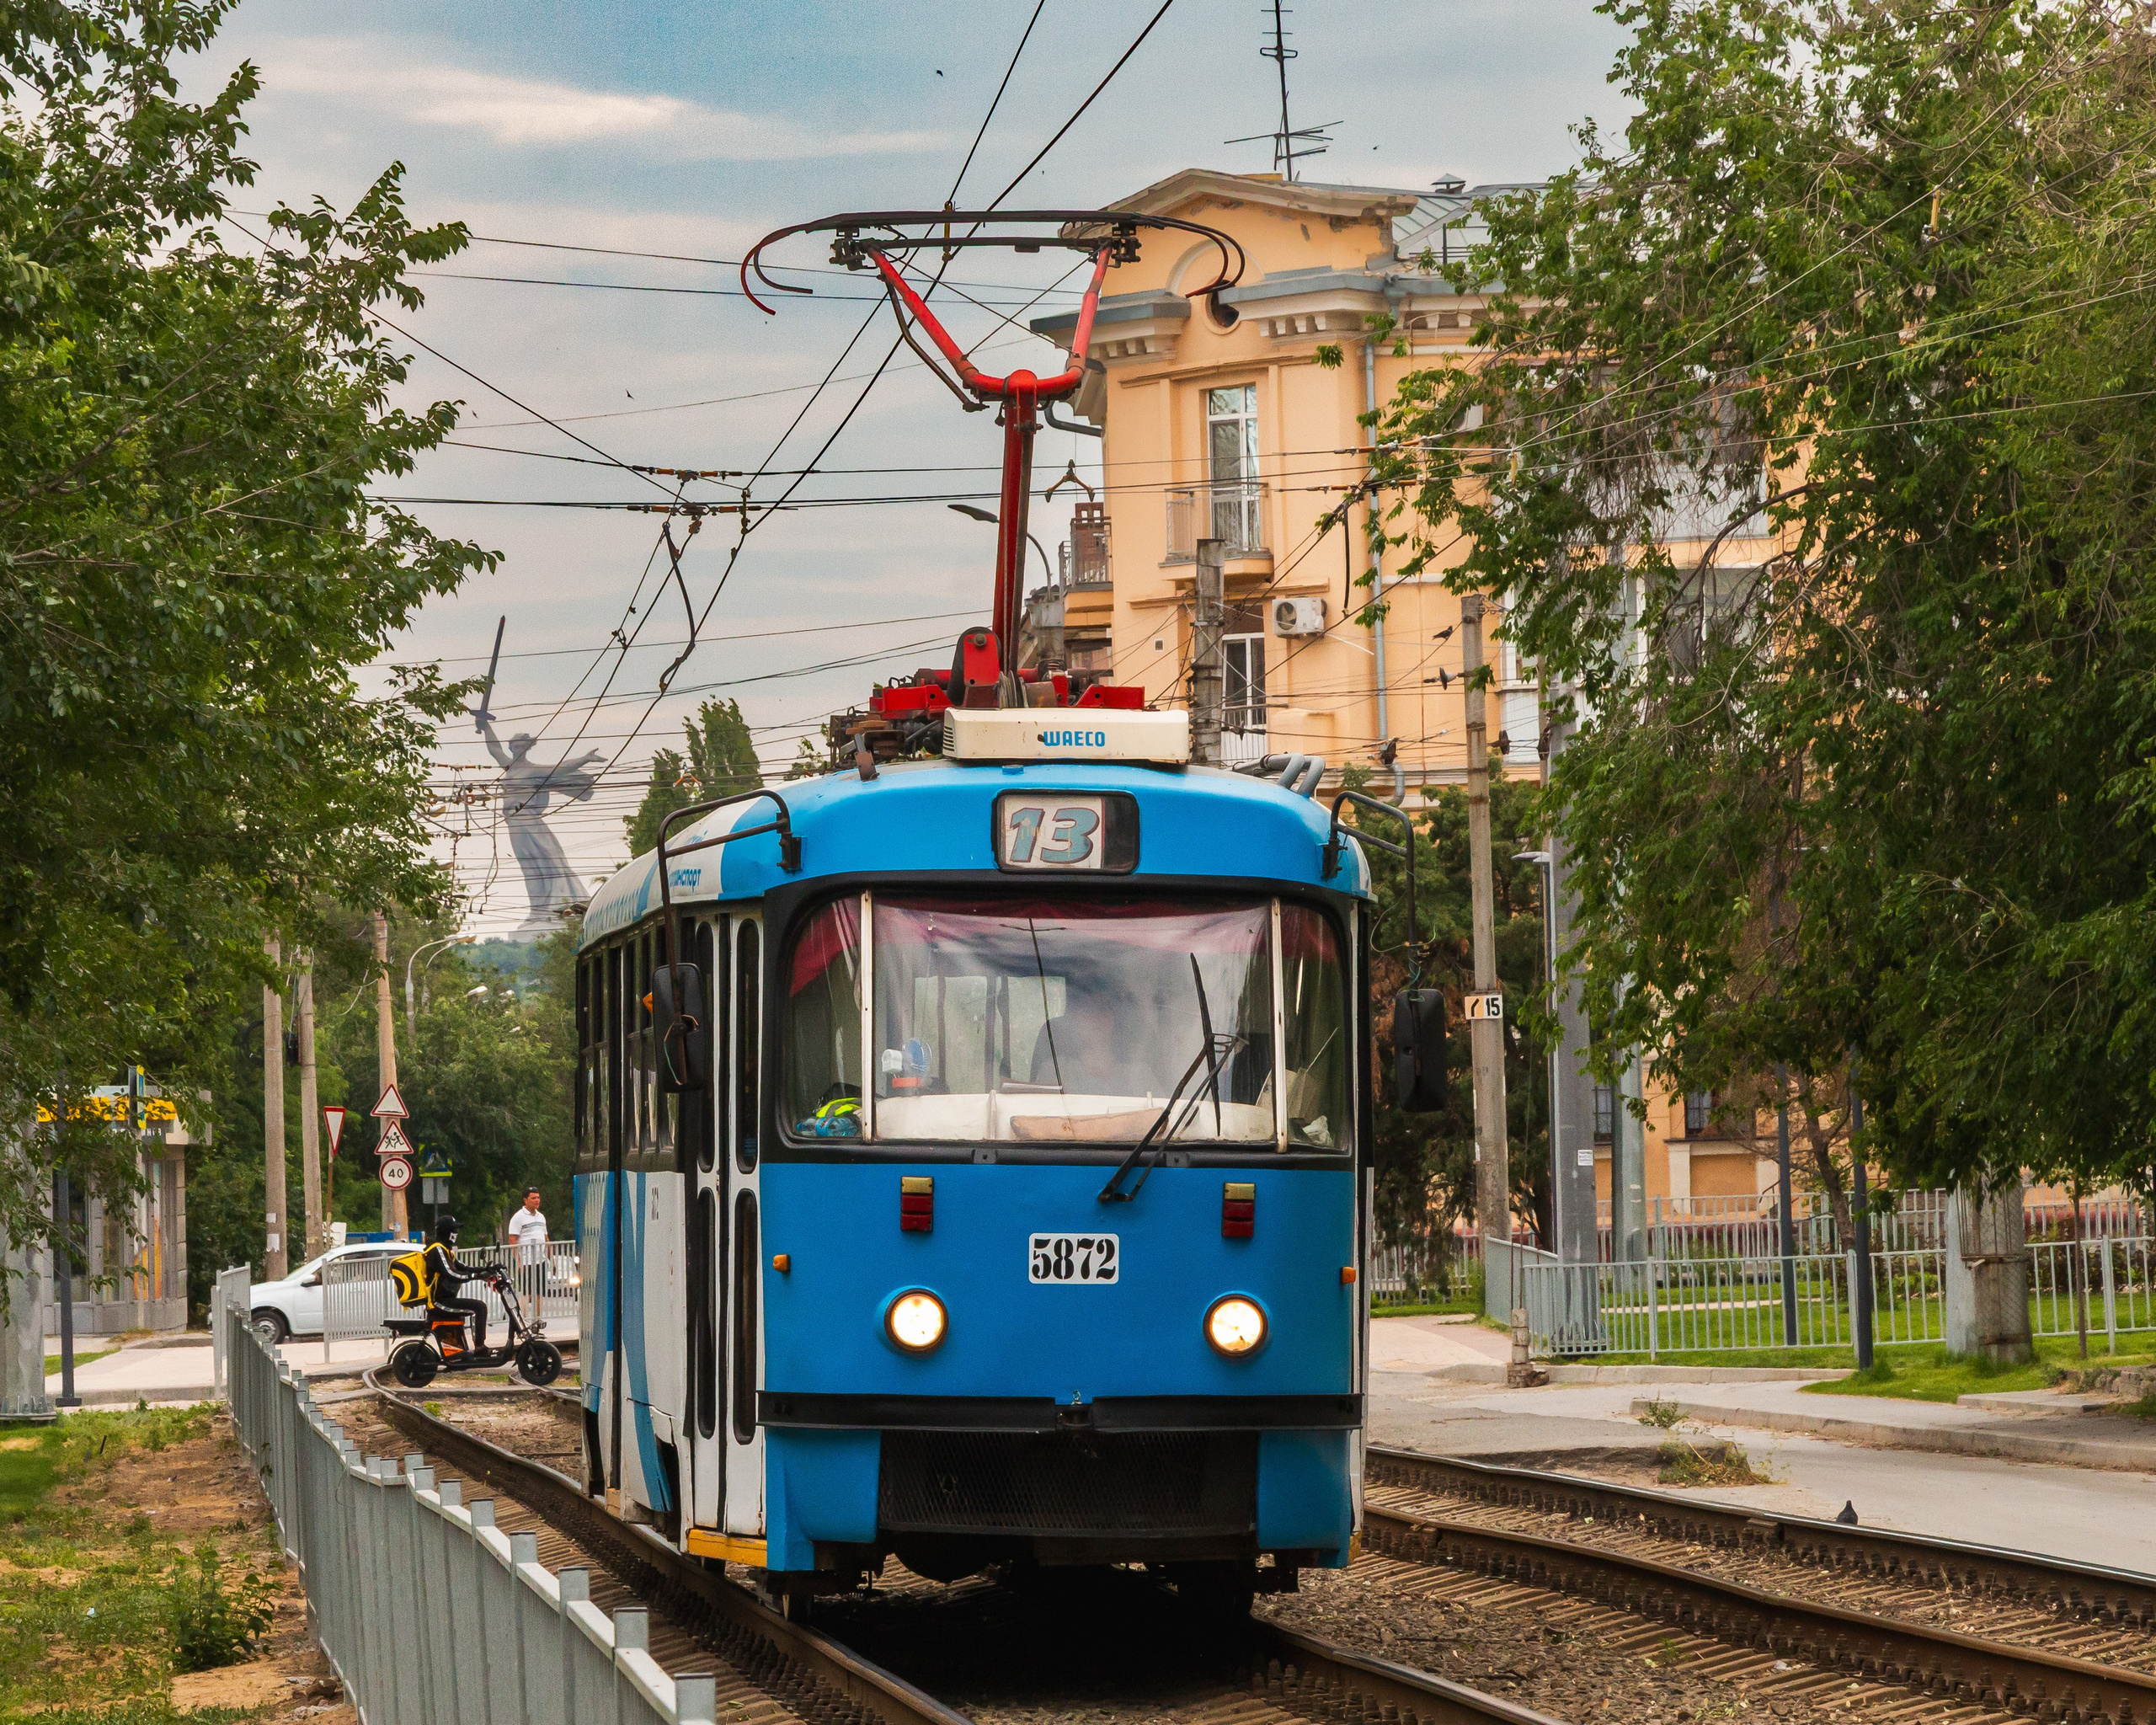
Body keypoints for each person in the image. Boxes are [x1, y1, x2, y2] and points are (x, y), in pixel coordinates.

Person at [422, 1216, 490, 1356]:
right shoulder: (437, 1250)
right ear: (447, 1232)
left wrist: (486, 1270)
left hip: (446, 1299)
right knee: (479, 1307)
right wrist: (476, 1276)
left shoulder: (447, 1251)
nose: (456, 1233)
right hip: (438, 1302)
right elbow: (451, 1274)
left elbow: (464, 1268)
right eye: (454, 1230)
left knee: (479, 1306)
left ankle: (474, 1348)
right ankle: (479, 1347)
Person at [507, 1188, 547, 1264]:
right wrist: (518, 1262)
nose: (537, 1200)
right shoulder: (518, 1217)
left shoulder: (541, 1217)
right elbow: (512, 1241)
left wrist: (552, 1260)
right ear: (525, 1200)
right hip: (525, 1263)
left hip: (541, 1261)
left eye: (538, 1197)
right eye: (533, 1198)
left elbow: (546, 1238)